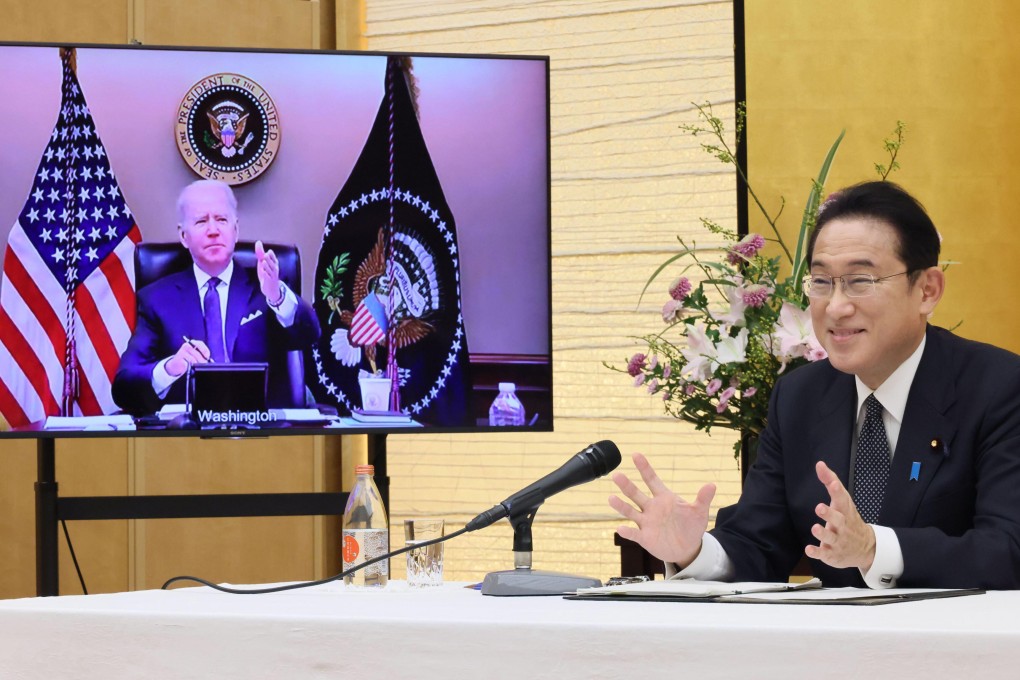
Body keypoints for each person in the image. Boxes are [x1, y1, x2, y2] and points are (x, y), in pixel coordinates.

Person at [611, 181, 1020, 589]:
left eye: (861, 281)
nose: (837, 307)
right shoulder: (799, 397)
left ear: (927, 290)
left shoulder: (999, 388)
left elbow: (1007, 550)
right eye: (822, 282)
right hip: (827, 648)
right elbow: (759, 541)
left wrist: (875, 549)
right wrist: (693, 551)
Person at [112, 179, 320, 415]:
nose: (213, 230)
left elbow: (309, 334)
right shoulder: (157, 300)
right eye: (201, 221)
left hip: (262, 435)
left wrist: (277, 297)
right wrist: (171, 368)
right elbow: (124, 387)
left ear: (236, 229)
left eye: (222, 220)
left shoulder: (265, 289)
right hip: (186, 439)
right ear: (183, 236)